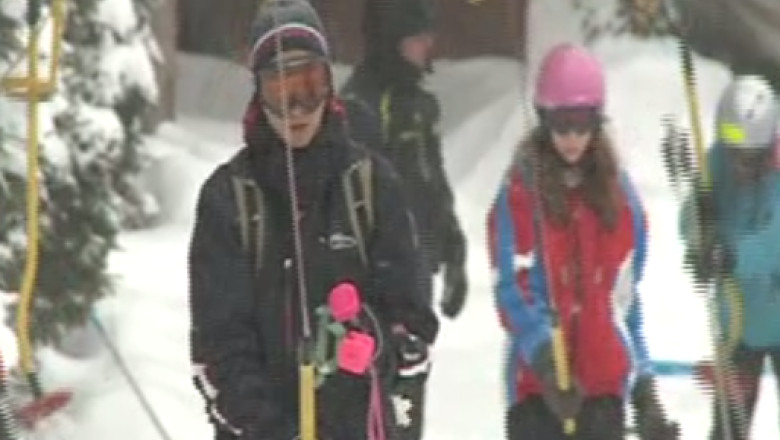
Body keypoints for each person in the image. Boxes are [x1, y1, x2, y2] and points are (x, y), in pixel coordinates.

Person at [187, 1, 439, 439]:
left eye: (310, 85)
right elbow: (220, 345)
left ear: (330, 85)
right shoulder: (228, 199)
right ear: (258, 92)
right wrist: (267, 426)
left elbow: (412, 317)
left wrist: (376, 340)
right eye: (281, 91)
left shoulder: (372, 186)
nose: (298, 109)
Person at [487, 43, 679, 440]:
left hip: (602, 392)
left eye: (583, 123)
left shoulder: (619, 199)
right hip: (539, 390)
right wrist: (543, 359)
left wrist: (644, 393)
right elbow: (514, 288)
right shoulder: (524, 194)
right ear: (542, 119)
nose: (572, 137)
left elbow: (623, 304)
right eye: (561, 124)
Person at [339, 2, 466, 436]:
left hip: (416, 274)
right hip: (376, 280)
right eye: (418, 35)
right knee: (367, 406)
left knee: (408, 398)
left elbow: (431, 178)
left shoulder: (419, 103)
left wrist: (453, 244)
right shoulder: (362, 104)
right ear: (392, 38)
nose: (428, 44)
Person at [679, 75, 780, 440]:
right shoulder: (718, 162)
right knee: (728, 429)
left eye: (751, 159)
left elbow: (774, 242)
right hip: (738, 324)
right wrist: (700, 239)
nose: (740, 167)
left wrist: (733, 254)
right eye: (734, 156)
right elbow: (690, 214)